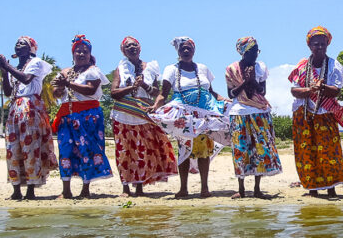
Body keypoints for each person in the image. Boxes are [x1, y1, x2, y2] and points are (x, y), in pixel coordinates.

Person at [151, 37, 229, 198]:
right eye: (183, 48)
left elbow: (212, 92)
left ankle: (205, 189)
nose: (186, 51)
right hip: (183, 115)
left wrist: (226, 101)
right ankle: (183, 188)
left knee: (204, 149)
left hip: (204, 113)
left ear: (194, 50)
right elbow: (163, 94)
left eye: (189, 48)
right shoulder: (171, 69)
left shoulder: (203, 68)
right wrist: (155, 107)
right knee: (184, 147)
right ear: (178, 51)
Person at [0, 36, 57, 200]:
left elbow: (26, 79)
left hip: (30, 106)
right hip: (14, 108)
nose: (18, 45)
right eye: (17, 43)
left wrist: (7, 66)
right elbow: (7, 92)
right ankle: (16, 189)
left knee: (30, 147)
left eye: (23, 44)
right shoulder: (16, 68)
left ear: (31, 49)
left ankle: (31, 190)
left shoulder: (36, 63)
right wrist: (4, 72)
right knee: (13, 148)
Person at [110, 36, 177, 197]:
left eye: (134, 45)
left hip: (143, 113)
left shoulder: (151, 67)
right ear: (124, 51)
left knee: (142, 150)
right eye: (128, 46)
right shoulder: (121, 68)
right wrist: (131, 88)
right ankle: (125, 187)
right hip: (123, 114)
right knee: (124, 151)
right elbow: (114, 92)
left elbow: (157, 93)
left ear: (140, 49)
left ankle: (140, 186)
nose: (132, 48)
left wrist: (143, 85)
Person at [288, 26, 343, 198]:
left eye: (323, 44)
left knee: (329, 152)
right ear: (309, 46)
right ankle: (312, 189)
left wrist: (322, 88)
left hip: (325, 115)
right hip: (304, 115)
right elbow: (294, 91)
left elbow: (336, 91)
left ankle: (331, 188)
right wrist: (310, 90)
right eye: (316, 44)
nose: (320, 47)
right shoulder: (302, 66)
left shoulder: (333, 65)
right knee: (307, 151)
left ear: (327, 45)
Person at [51, 34, 113, 198]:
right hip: (67, 115)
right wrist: (58, 87)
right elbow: (57, 93)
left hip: (87, 116)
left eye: (84, 51)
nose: (81, 54)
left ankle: (85, 189)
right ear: (73, 54)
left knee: (87, 150)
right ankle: (66, 190)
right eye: (78, 51)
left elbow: (90, 90)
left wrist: (67, 84)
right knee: (65, 150)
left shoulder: (94, 71)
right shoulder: (65, 72)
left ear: (90, 54)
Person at [225, 37, 283, 198]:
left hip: (259, 111)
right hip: (239, 113)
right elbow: (231, 94)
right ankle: (241, 189)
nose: (255, 55)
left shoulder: (260, 68)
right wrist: (244, 83)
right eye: (251, 51)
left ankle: (257, 189)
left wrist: (253, 81)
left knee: (260, 148)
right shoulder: (232, 69)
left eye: (256, 50)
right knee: (240, 150)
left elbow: (262, 92)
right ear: (243, 52)